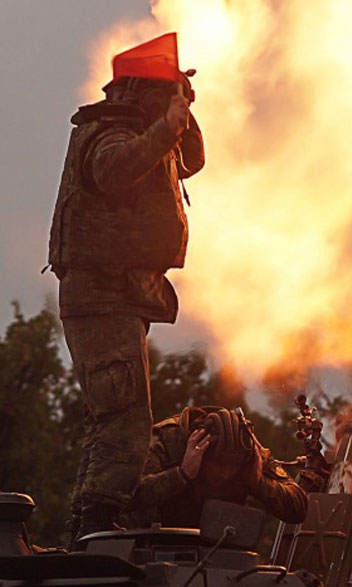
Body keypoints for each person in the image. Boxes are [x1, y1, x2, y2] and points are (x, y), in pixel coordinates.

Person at [47, 34, 205, 542]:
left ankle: (87, 528)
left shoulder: (145, 135)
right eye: (165, 92)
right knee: (126, 425)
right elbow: (114, 172)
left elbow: (193, 160)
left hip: (120, 296)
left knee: (110, 421)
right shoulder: (106, 134)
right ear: (141, 93)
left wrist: (180, 111)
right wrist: (167, 122)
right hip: (102, 297)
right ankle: (98, 527)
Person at [124, 407, 308, 528]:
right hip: (150, 547)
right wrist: (181, 474)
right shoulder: (167, 443)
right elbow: (123, 497)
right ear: (200, 449)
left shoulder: (249, 451)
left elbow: (298, 507)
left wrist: (260, 483)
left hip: (221, 552)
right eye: (219, 464)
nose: (225, 474)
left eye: (232, 467)